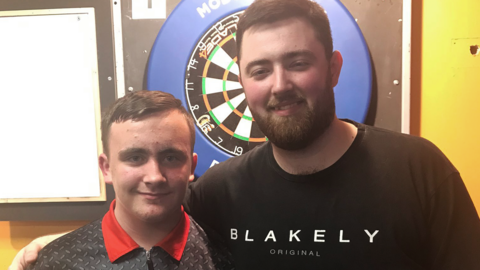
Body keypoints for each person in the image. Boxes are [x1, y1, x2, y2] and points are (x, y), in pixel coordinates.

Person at [10, 0, 480, 269]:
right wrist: (63, 245)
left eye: (298, 62)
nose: (280, 85)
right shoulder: (220, 190)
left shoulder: (418, 170)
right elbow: (145, 216)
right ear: (243, 83)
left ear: (333, 68)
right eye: (260, 69)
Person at [24, 91, 234, 270]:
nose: (154, 177)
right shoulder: (57, 262)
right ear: (106, 168)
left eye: (171, 158)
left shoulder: (226, 258)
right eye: (135, 158)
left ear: (191, 167)